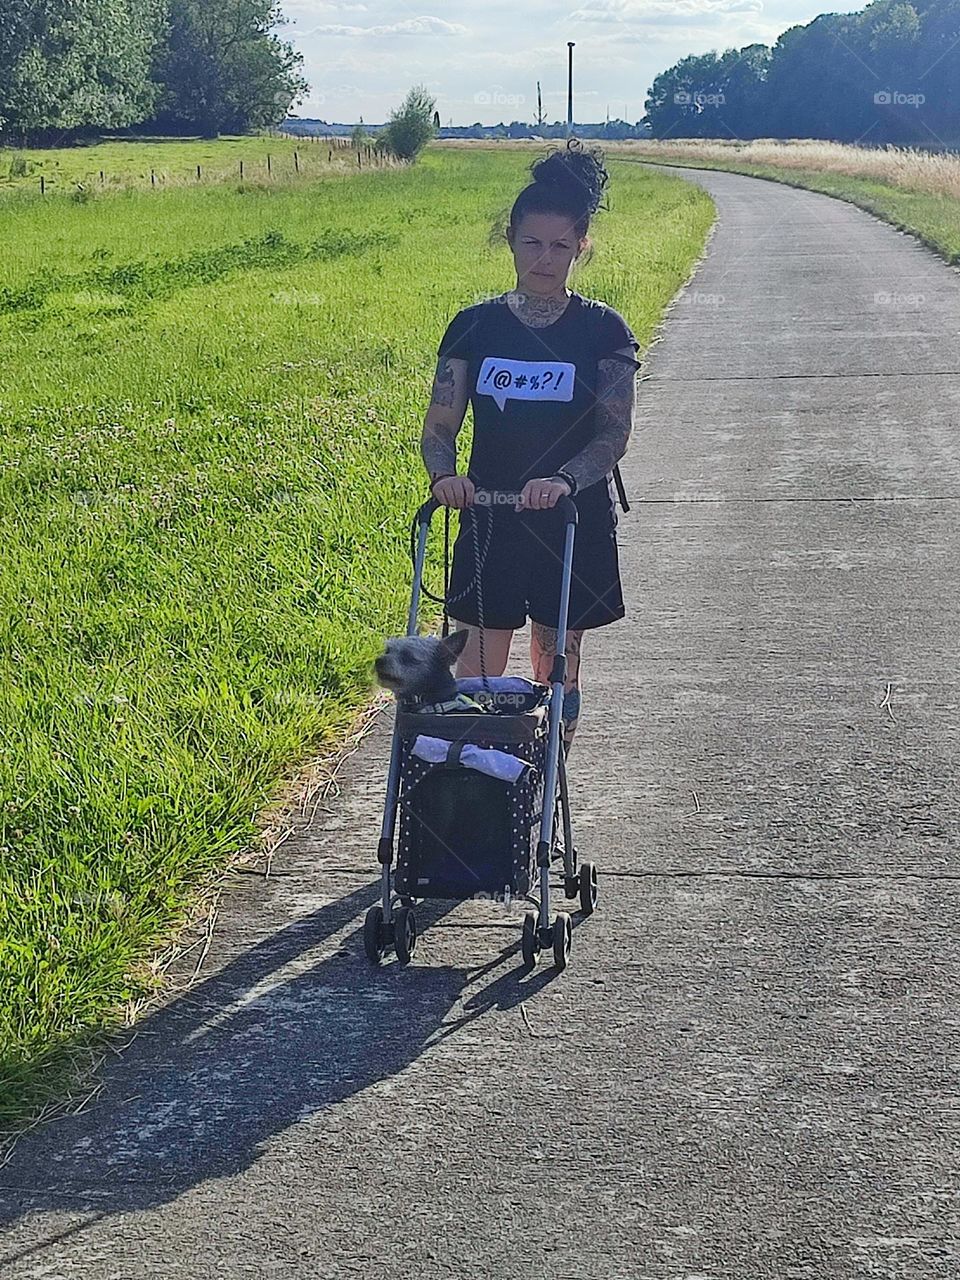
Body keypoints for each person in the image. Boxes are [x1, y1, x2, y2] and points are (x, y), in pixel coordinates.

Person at [419, 138, 641, 757]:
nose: (545, 259)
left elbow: (613, 432)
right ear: (511, 239)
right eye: (532, 244)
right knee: (479, 679)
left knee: (556, 670)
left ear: (581, 246)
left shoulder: (604, 330)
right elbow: (440, 428)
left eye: (561, 246)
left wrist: (566, 480)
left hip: (569, 518)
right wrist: (445, 477)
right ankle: (482, 792)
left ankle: (545, 793)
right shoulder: (474, 325)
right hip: (489, 514)